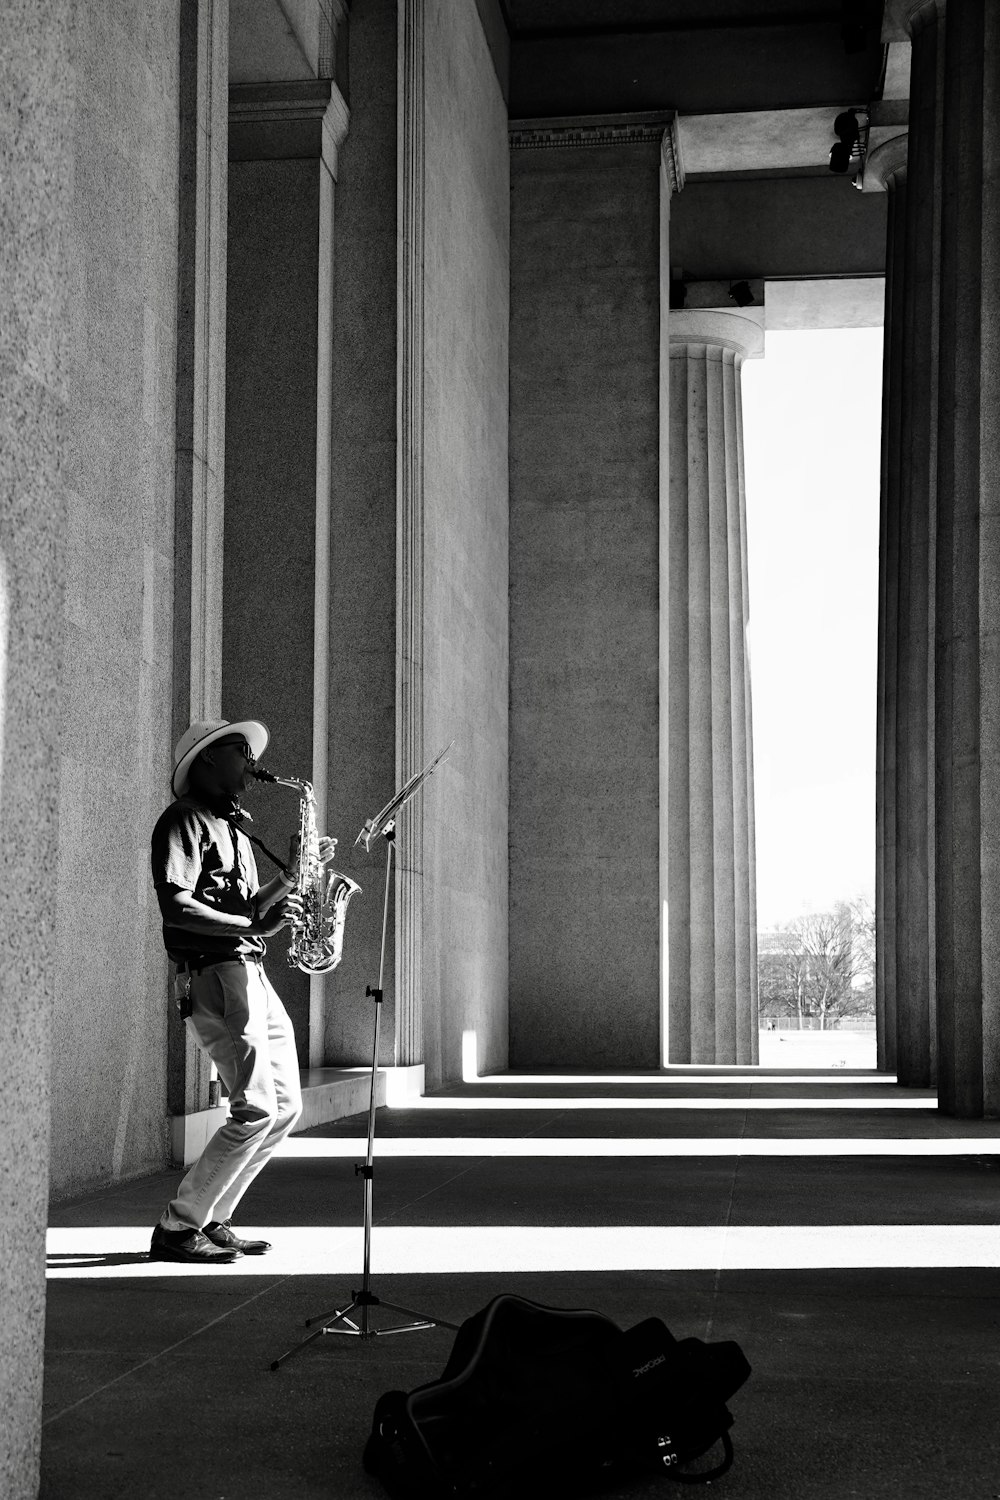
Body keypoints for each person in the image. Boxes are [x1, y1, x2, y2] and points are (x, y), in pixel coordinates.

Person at [148, 718, 311, 1265]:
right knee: (257, 1108)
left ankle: (213, 1216)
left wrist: (285, 882)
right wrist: (250, 928)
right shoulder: (183, 820)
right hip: (217, 972)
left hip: (249, 970)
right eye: (241, 751)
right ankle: (178, 1226)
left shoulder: (235, 828)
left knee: (286, 1107)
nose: (252, 762)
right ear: (208, 759)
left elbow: (244, 910)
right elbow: (177, 906)